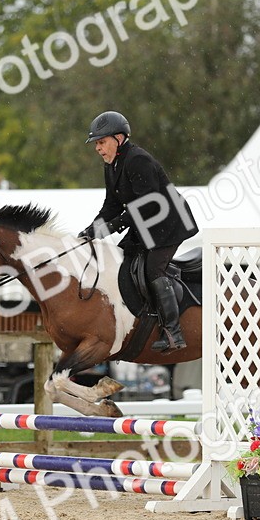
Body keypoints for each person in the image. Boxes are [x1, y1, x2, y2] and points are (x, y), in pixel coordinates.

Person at [77, 111, 198, 352]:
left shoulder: (137, 160)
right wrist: (91, 230)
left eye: (101, 142)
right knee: (122, 264)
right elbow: (111, 205)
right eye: (96, 144)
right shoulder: (112, 166)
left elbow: (149, 204)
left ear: (119, 138)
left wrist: (111, 228)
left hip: (169, 223)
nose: (98, 149)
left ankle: (173, 332)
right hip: (146, 224)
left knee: (154, 269)